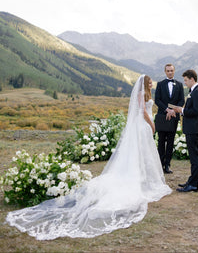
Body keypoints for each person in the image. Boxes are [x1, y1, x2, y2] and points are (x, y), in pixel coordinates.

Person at [5, 75, 172, 240]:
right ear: (144, 83)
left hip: (142, 127)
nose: (151, 84)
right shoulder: (142, 95)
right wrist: (152, 124)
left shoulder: (148, 94)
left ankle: (144, 178)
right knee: (140, 154)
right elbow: (142, 111)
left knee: (144, 155)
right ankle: (140, 180)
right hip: (143, 125)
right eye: (149, 82)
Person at [171, 70, 198, 193]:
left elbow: (196, 111)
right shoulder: (194, 92)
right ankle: (191, 181)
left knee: (195, 157)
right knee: (193, 157)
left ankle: (193, 185)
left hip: (194, 129)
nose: (185, 83)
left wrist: (182, 110)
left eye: (186, 80)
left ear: (192, 79)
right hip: (191, 128)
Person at [154, 64, 185, 174]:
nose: (170, 72)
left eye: (171, 70)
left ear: (174, 71)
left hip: (173, 117)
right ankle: (160, 165)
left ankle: (167, 165)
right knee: (161, 142)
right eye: (168, 71)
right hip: (162, 116)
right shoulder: (160, 84)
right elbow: (157, 100)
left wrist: (173, 110)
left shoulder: (180, 85)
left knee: (170, 143)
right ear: (165, 72)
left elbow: (182, 100)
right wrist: (167, 109)